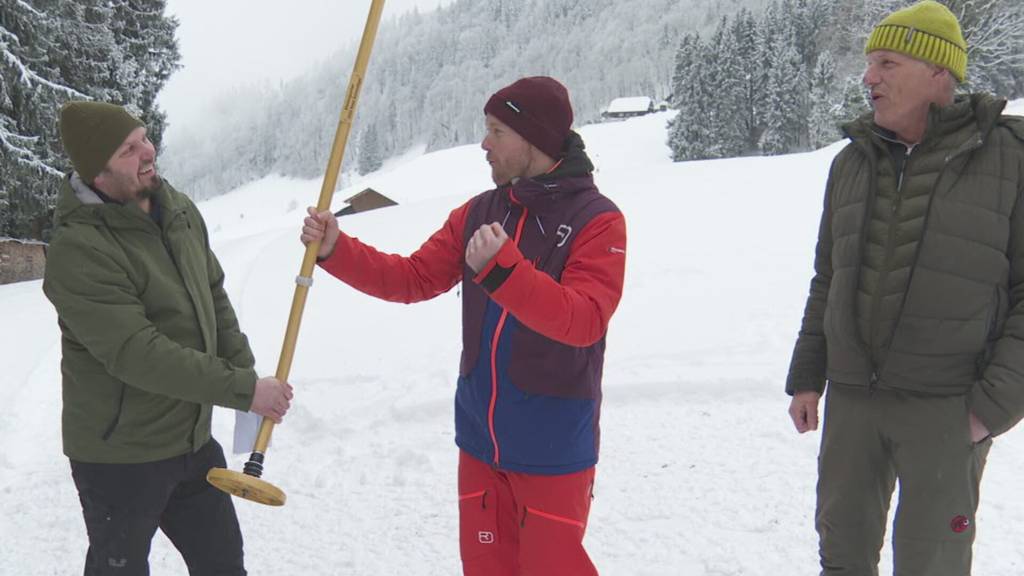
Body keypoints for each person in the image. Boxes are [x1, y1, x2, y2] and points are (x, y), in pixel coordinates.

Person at [301, 76, 626, 575]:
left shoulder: (598, 220)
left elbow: (584, 319)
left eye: (497, 131)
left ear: (533, 137)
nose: (484, 144)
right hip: (479, 443)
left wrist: (506, 274)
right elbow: (411, 278)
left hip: (553, 449)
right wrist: (336, 250)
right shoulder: (479, 211)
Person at [786, 1, 1024, 574]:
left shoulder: (1010, 157)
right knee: (841, 557)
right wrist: (807, 376)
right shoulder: (851, 163)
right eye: (870, 65)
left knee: (932, 565)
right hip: (853, 405)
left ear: (938, 72)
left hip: (947, 408)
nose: (869, 78)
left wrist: (990, 409)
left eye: (887, 63)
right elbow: (829, 276)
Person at [43, 101, 294, 576]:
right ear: (98, 171)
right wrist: (241, 389)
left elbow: (212, 296)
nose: (147, 151)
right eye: (128, 149)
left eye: (144, 137)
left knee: (222, 564)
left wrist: (247, 378)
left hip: (192, 441)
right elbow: (139, 354)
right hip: (120, 456)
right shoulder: (78, 250)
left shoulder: (175, 207)